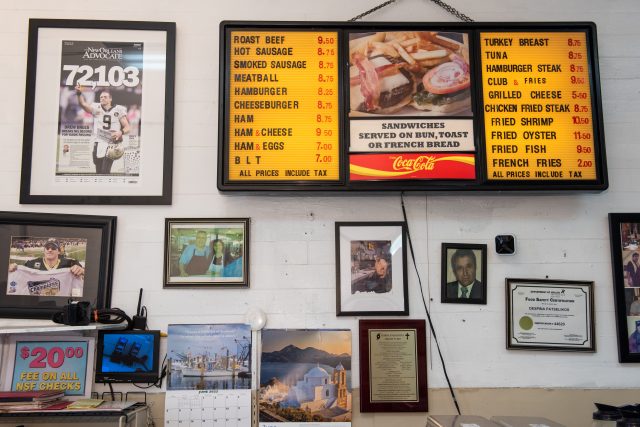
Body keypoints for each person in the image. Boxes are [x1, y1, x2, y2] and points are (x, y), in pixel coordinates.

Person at [75, 84, 130, 174]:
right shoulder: (96, 107)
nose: (102, 98)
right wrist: (78, 93)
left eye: (105, 97)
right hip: (98, 141)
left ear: (110, 99)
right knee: (99, 171)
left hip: (111, 142)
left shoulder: (118, 109)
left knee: (105, 171)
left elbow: (127, 127)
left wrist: (121, 132)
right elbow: (82, 104)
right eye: (101, 97)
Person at [9, 239, 84, 276]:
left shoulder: (69, 263)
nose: (50, 250)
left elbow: (82, 270)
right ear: (44, 250)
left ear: (59, 251)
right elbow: (21, 270)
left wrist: (80, 270)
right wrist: (14, 267)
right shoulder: (32, 263)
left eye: (53, 247)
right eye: (47, 247)